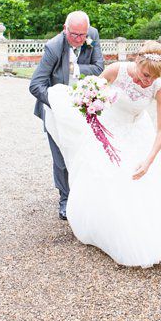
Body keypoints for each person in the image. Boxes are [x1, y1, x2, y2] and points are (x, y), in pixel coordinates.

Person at [44, 42, 161, 267]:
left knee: (142, 182)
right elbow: (91, 96)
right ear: (137, 62)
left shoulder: (159, 88)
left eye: (152, 78)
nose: (146, 81)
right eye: (145, 75)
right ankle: (105, 226)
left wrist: (149, 161)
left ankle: (141, 232)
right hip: (106, 130)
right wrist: (91, 111)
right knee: (105, 177)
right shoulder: (116, 70)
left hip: (136, 133)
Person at [29, 11, 105, 220]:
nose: (80, 40)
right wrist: (58, 102)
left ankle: (86, 195)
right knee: (61, 158)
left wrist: (75, 68)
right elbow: (35, 85)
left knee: (85, 152)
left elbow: (99, 68)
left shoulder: (93, 35)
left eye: (83, 35)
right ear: (65, 29)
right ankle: (65, 199)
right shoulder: (53, 47)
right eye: (74, 35)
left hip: (81, 107)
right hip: (56, 110)